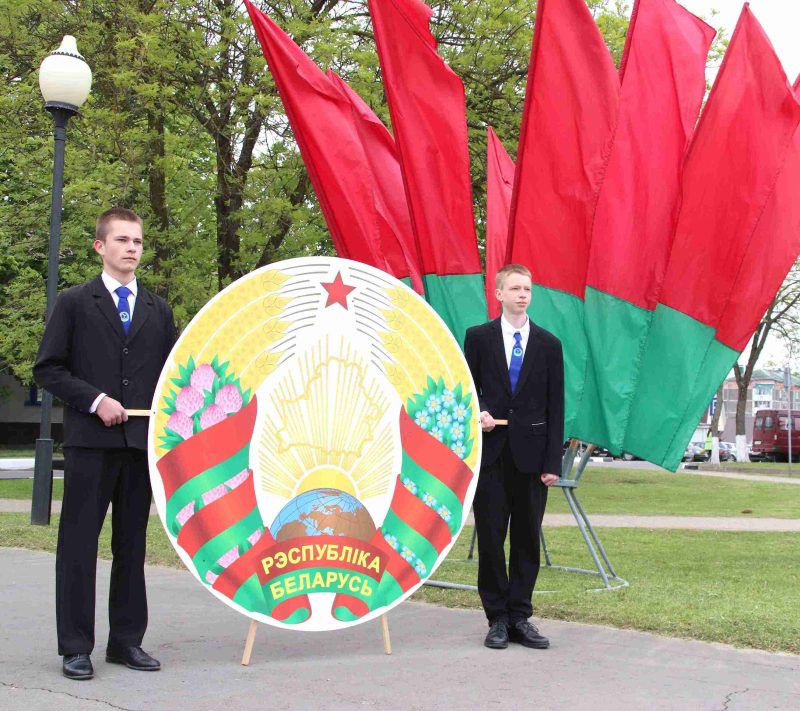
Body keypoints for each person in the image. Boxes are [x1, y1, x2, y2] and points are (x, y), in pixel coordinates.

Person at [34, 207, 176, 680]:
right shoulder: (75, 303)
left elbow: (171, 380)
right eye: (121, 240)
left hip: (138, 447)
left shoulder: (159, 310)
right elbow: (49, 369)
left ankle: (126, 642)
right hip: (89, 445)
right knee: (78, 546)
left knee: (132, 546)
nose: (132, 248)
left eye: (137, 241)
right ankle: (75, 646)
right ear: (100, 246)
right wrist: (96, 400)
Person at [464, 263, 564, 650]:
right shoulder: (478, 338)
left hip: (532, 458)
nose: (523, 294)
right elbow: (467, 388)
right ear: (499, 293)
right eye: (516, 288)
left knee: (526, 539)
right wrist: (480, 412)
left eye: (528, 289)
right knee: (491, 539)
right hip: (490, 456)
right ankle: (497, 620)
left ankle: (521, 616)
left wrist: (552, 462)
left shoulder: (549, 344)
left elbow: (556, 405)